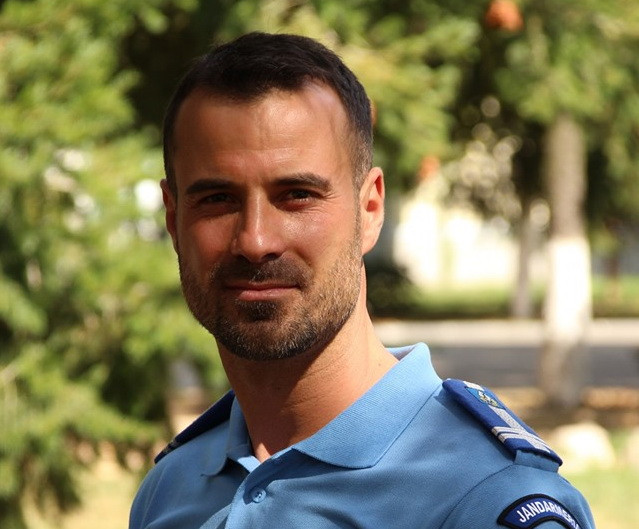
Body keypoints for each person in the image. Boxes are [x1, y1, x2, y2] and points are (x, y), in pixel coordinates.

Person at [129, 32, 596, 529]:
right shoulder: (169, 491)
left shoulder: (486, 498)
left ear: (370, 209)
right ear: (173, 218)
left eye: (297, 195)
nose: (255, 240)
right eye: (217, 199)